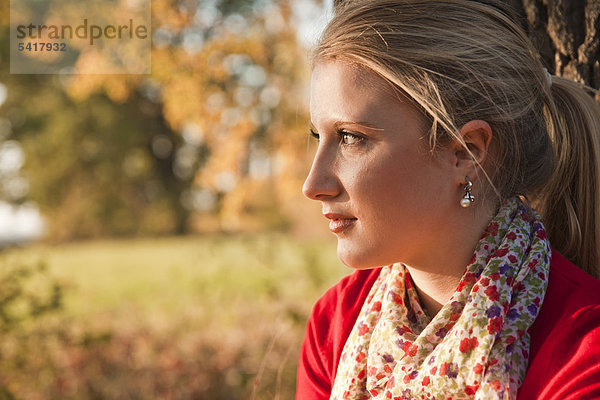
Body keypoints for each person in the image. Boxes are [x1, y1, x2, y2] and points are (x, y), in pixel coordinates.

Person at [296, 0, 600, 399]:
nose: (313, 183)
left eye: (352, 138)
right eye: (320, 137)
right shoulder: (335, 323)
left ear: (466, 153)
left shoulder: (583, 351)